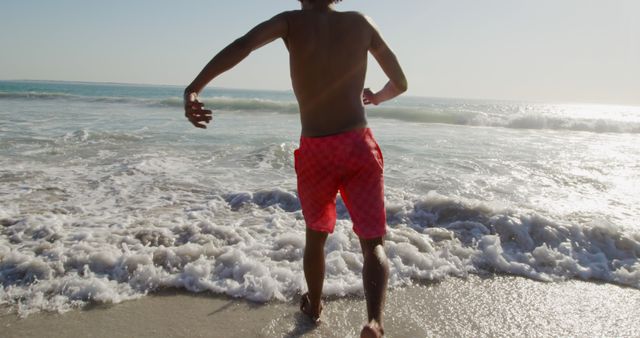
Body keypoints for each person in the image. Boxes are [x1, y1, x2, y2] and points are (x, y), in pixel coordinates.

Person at [183, 0, 407, 336]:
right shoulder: (361, 23)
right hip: (358, 145)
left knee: (315, 237)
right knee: (372, 241)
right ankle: (374, 321)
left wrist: (194, 88)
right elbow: (400, 82)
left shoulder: (290, 22)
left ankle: (314, 306)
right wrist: (376, 97)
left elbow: (243, 45)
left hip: (317, 150)